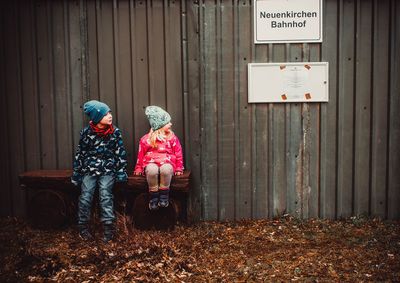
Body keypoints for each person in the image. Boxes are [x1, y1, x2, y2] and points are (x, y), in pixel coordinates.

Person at [71, 100, 128, 242]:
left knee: (105, 194)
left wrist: (121, 171)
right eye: (105, 114)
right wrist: (77, 174)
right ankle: (83, 228)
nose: (110, 116)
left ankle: (109, 229)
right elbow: (81, 154)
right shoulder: (86, 133)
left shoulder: (115, 132)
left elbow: (120, 153)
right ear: (96, 118)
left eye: (110, 112)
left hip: (108, 170)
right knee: (85, 196)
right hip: (89, 170)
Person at [133, 106, 184, 210]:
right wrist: (138, 168)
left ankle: (164, 196)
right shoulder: (146, 140)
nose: (171, 124)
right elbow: (141, 154)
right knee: (151, 170)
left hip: (167, 163)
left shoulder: (172, 138)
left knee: (166, 170)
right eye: (167, 122)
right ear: (159, 126)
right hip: (150, 163)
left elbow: (178, 153)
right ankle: (154, 196)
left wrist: (179, 168)